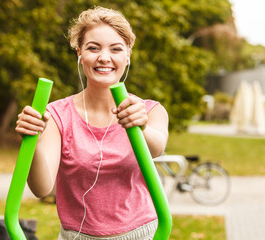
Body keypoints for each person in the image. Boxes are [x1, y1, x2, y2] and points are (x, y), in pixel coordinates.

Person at [15, 6, 169, 240]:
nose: (104, 57)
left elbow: (156, 148)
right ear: (79, 53)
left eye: (116, 49)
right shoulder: (56, 115)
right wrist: (32, 141)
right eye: (93, 48)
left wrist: (141, 127)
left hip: (141, 234)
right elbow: (42, 188)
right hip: (76, 236)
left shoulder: (149, 111)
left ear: (127, 55)